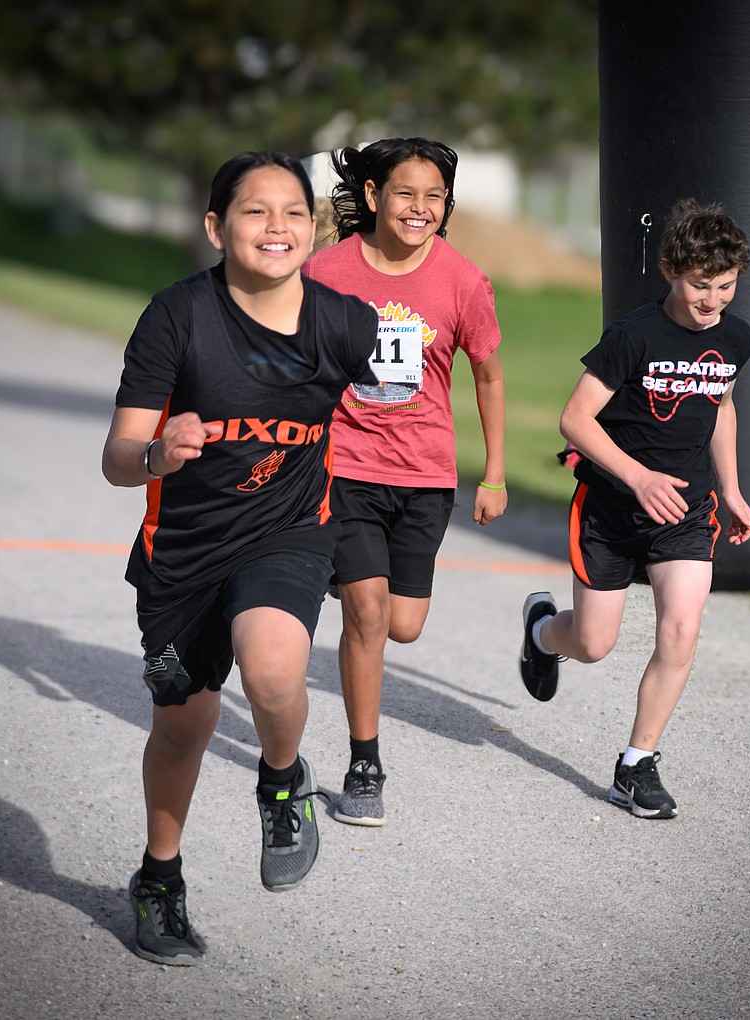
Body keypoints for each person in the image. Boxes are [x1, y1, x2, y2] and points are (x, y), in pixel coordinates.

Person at [101, 151, 378, 965]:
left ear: (314, 228)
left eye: (294, 212)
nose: (277, 228)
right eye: (254, 212)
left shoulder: (344, 322)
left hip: (287, 532)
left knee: (271, 670)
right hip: (181, 551)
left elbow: (407, 412)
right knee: (184, 726)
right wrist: (156, 452)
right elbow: (117, 455)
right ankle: (160, 880)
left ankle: (284, 780)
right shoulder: (177, 315)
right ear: (218, 228)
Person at [519, 198, 750, 820]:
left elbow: (721, 407)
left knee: (681, 627)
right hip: (611, 510)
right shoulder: (633, 335)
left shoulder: (735, 338)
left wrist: (730, 488)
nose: (713, 301)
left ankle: (636, 764)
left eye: (726, 287)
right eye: (701, 285)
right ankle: (543, 633)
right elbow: (574, 420)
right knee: (593, 644)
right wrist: (637, 476)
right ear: (671, 270)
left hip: (688, 509)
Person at [301, 137, 507, 826]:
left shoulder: (463, 280)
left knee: (404, 626)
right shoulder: (326, 272)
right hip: (347, 466)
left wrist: (497, 474)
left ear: (446, 206)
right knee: (366, 614)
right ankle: (365, 764)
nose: (419, 208)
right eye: (405, 193)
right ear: (372, 197)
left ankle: (346, 575)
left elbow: (488, 376)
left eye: (433, 197)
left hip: (425, 475)